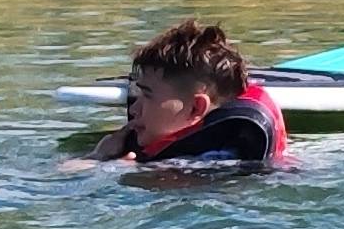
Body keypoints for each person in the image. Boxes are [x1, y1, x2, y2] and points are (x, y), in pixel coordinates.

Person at [89, 19, 288, 167]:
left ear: (196, 108)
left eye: (148, 95)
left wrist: (104, 163)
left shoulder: (209, 164)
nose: (134, 108)